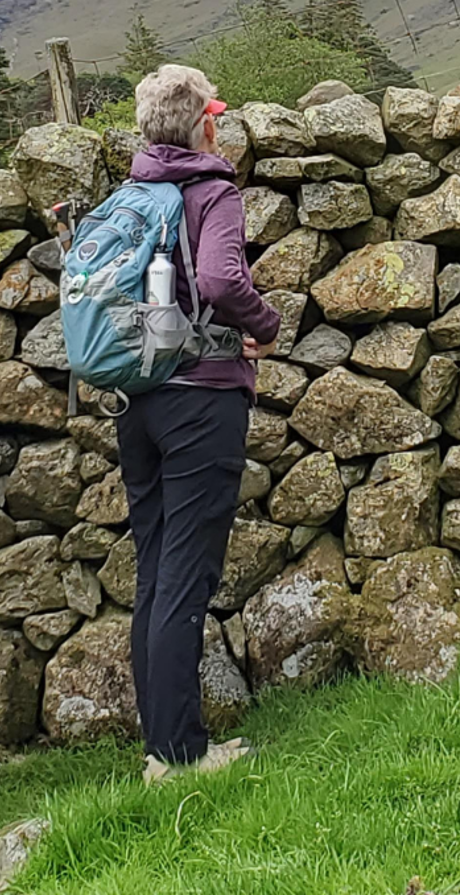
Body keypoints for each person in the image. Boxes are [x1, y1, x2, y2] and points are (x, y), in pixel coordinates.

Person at [120, 65, 281, 782]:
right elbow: (219, 279)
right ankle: (181, 753)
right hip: (201, 399)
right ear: (204, 124)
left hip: (139, 399)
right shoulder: (212, 192)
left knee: (156, 570)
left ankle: (160, 743)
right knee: (186, 573)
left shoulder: (131, 195)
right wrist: (265, 324)